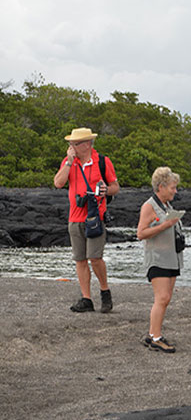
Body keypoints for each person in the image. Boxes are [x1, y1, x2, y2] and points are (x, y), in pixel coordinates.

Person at [53, 127, 119, 313]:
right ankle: (86, 298)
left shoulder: (103, 162)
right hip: (75, 217)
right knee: (80, 259)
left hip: (95, 217)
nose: (72, 147)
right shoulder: (69, 162)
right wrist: (69, 162)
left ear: (88, 144)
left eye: (75, 143)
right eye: (71, 144)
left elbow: (115, 186)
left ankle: (105, 291)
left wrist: (107, 190)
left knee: (95, 257)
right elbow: (58, 183)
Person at [137, 167, 183, 353]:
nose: (175, 191)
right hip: (157, 259)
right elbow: (141, 233)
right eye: (172, 187)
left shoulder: (167, 206)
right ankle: (155, 337)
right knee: (161, 298)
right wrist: (165, 225)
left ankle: (153, 333)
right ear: (161, 187)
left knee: (166, 299)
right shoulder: (149, 206)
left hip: (171, 258)